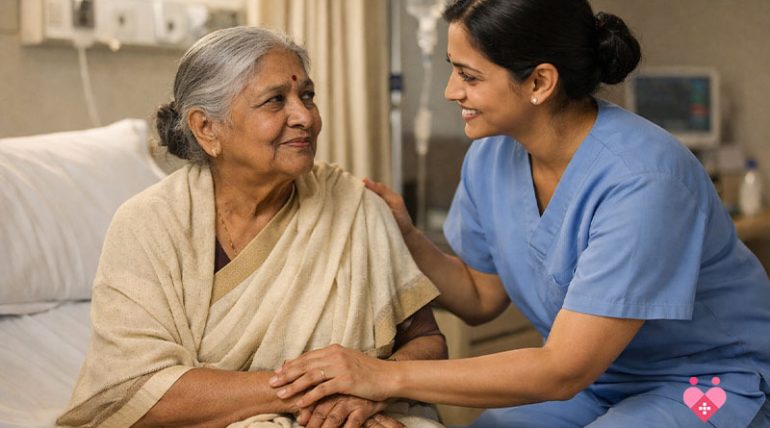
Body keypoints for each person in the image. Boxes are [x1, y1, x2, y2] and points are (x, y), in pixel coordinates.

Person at [270, 0, 770, 426]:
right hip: (603, 381)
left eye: (468, 75)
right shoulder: (492, 156)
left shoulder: (643, 181)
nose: (451, 91)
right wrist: (405, 234)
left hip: (709, 379)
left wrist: (380, 375)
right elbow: (481, 295)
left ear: (539, 82)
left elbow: (562, 370)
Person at [57, 26, 447, 428]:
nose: (304, 117)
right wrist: (322, 389)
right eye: (275, 100)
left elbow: (427, 342)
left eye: (307, 96)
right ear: (207, 128)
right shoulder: (148, 225)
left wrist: (371, 390)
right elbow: (136, 391)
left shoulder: (355, 206)